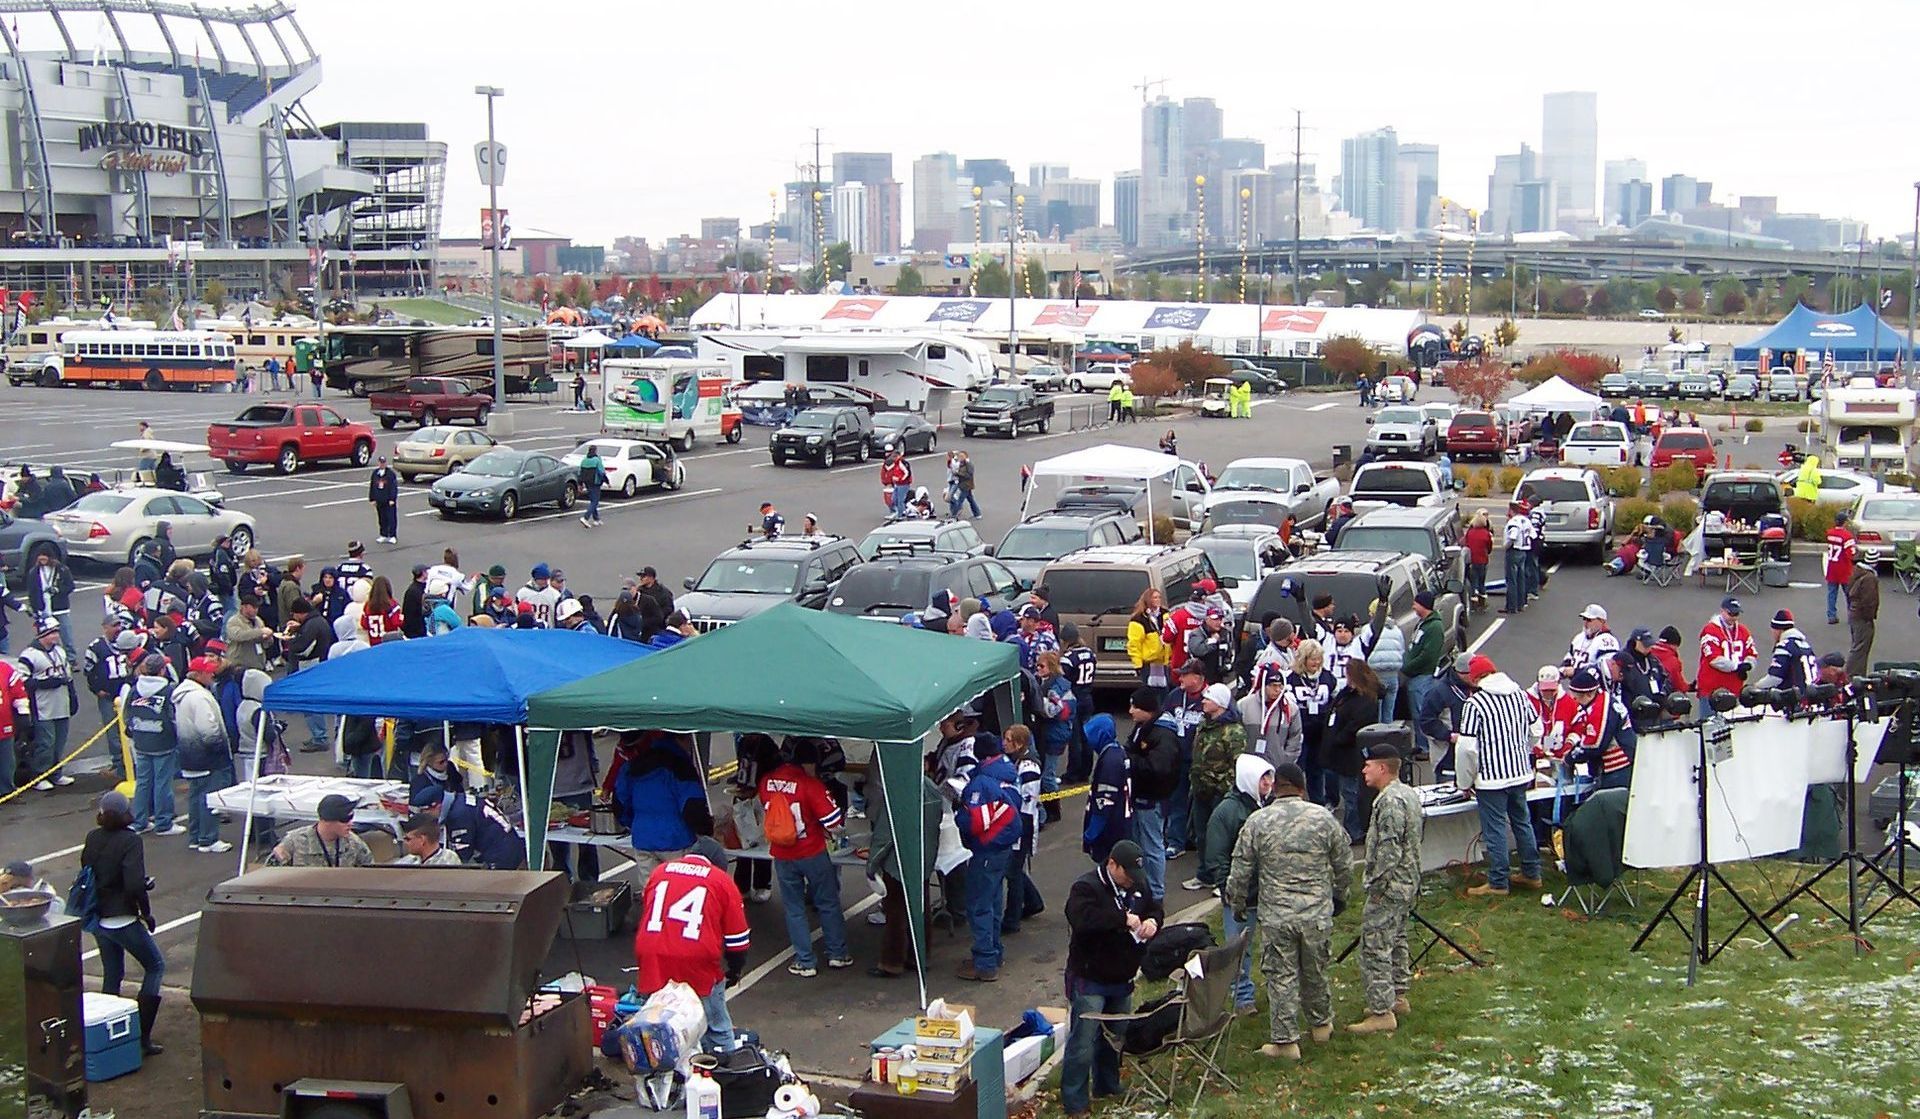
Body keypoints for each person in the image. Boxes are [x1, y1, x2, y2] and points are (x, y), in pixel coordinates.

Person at [1224, 762, 1350, 1062]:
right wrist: (1341, 896)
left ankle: (1285, 1041)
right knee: (1315, 970)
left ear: (1276, 787)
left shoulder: (1258, 822)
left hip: (1277, 914)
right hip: (1316, 912)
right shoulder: (1323, 818)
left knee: (1281, 975)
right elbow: (1344, 862)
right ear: (1302, 787)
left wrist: (1237, 904)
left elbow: (1240, 870)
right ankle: (1321, 1025)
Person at [1060, 839, 1160, 1118]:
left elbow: (1154, 906)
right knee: (1083, 1042)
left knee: (1114, 1036)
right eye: (1127, 874)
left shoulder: (1137, 885)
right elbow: (1082, 920)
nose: (1132, 881)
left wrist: (1154, 921)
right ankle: (1074, 1100)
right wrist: (1121, 919)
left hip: (1123, 976)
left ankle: (1107, 1085)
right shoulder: (1086, 888)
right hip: (1090, 976)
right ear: (1112, 864)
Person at [633, 843, 750, 1053]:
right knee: (717, 1027)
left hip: (651, 952)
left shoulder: (660, 871)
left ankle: (657, 1073)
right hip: (696, 958)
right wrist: (734, 971)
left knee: (656, 1023)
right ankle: (726, 1072)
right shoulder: (721, 880)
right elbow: (738, 942)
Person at [81, 791, 167, 1056]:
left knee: (113, 974)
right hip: (122, 917)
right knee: (154, 967)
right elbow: (133, 884)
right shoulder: (131, 841)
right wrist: (146, 912)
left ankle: (107, 1035)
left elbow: (87, 870)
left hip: (98, 917)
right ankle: (142, 1036)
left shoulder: (93, 837)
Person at [1348, 740, 1422, 1036]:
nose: (1364, 770)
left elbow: (1389, 849)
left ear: (1382, 768)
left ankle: (1381, 1011)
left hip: (1390, 885)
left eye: (1368, 765)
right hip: (1407, 882)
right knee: (1397, 938)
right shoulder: (1407, 794)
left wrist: (1375, 884)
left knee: (1375, 946)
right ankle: (1397, 995)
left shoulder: (1390, 801)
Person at [759, 740, 852, 977]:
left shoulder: (767, 782)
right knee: (828, 903)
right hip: (811, 851)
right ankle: (837, 954)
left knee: (794, 909)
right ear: (810, 763)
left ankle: (805, 960)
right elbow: (834, 822)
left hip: (782, 853)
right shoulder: (811, 785)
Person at [1454, 656, 1544, 896]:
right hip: (1520, 773)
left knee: (1495, 829)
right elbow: (1537, 729)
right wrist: (1522, 750)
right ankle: (1531, 873)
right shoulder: (1520, 695)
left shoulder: (1476, 704)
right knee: (1522, 823)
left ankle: (1498, 882)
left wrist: (1464, 781)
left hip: (1491, 778)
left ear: (1475, 678)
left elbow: (1466, 748)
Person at [1203, 753, 1273, 1015]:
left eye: (1269, 777)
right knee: (1238, 950)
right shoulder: (1227, 812)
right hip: (1240, 897)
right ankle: (1242, 998)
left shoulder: (1266, 806)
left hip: (1267, 893)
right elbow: (1216, 855)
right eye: (1263, 778)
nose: (1268, 783)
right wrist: (1227, 889)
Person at [866, 755, 942, 979]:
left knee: (896, 912)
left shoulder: (897, 794)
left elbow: (884, 835)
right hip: (923, 858)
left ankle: (891, 962)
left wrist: (872, 864)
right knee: (921, 909)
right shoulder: (932, 789)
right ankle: (920, 956)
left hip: (897, 861)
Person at [611, 730, 707, 881]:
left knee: (651, 893)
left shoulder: (634, 764)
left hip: (643, 838)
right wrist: (706, 829)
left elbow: (619, 803)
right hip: (676, 839)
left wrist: (634, 823)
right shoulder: (680, 766)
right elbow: (693, 806)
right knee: (678, 891)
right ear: (683, 739)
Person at [1182, 682, 1248, 891]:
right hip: (1201, 789)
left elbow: (1237, 763)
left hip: (1221, 792)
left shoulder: (1234, 731)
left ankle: (1222, 878)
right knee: (1201, 834)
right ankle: (1204, 874)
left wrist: (1224, 785)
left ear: (1219, 704)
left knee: (1220, 838)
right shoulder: (1204, 724)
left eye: (1208, 699)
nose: (1203, 701)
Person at [1125, 688, 1180, 900]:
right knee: (1140, 844)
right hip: (1141, 795)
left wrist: (1131, 761)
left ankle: (1156, 893)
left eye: (1135, 706)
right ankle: (1142, 887)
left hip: (1153, 798)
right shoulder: (1143, 727)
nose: (1130, 711)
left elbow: (1160, 767)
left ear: (1147, 709)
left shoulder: (1163, 733)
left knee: (1153, 846)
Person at [173, 656, 231, 854]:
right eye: (208, 671)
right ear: (197, 674)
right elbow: (208, 729)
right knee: (209, 797)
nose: (212, 674)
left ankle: (196, 836)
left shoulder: (183, 694)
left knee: (196, 797)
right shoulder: (199, 697)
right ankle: (208, 838)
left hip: (190, 755)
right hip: (206, 757)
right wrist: (219, 750)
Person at [1323, 657, 1384, 842]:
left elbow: (1355, 726)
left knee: (1351, 794)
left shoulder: (1366, 700)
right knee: (1350, 792)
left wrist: (1338, 739)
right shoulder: (1349, 694)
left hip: (1350, 753)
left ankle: (1354, 830)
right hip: (1342, 751)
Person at [1554, 665, 1638, 790]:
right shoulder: (1598, 700)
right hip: (1615, 765)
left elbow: (1594, 745)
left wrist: (1569, 758)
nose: (1575, 701)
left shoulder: (1600, 710)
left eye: (1576, 697)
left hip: (1617, 768)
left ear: (1587, 695)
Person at [17, 621, 76, 791]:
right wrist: (47, 683)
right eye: (52, 633)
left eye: (56, 632)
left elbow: (68, 676)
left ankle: (56, 773)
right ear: (42, 635)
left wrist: (72, 697)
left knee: (59, 742)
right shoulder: (29, 655)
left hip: (61, 704)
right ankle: (39, 776)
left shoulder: (60, 652)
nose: (56, 636)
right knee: (45, 743)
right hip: (42, 707)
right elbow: (23, 681)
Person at [408, 784, 524, 869]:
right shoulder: (459, 800)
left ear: (436, 806)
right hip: (510, 843)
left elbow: (462, 858)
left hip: (500, 857)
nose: (424, 818)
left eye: (424, 812)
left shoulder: (459, 816)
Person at [264, 794, 375, 867]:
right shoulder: (295, 842)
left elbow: (371, 875)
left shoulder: (354, 844)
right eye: (345, 819)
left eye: (351, 817)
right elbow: (269, 874)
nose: (350, 823)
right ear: (327, 820)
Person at [1696, 597, 1756, 714]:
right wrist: (1736, 667)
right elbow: (1713, 659)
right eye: (1730, 614)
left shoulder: (1743, 631)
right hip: (1711, 690)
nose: (1733, 617)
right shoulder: (1710, 630)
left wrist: (1748, 664)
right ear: (1722, 611)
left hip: (1734, 689)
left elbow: (1752, 653)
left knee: (1732, 726)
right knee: (1708, 725)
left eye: (1736, 614)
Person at [1240, 665, 1303, 768]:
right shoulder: (1244, 705)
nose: (1278, 690)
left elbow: (1295, 738)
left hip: (1277, 766)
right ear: (1264, 685)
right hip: (1249, 766)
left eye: (1280, 686)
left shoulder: (1291, 709)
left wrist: (1286, 760)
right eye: (1273, 685)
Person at [1756, 608, 1819, 700]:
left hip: (1794, 697)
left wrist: (1756, 687)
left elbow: (1775, 678)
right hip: (1811, 695)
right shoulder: (1806, 645)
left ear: (1779, 630)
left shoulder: (1784, 646)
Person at [26, 548, 76, 658]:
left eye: (45, 556)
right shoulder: (34, 572)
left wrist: (58, 590)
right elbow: (32, 592)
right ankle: (54, 658)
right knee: (47, 637)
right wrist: (34, 609)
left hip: (60, 609)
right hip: (43, 610)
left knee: (66, 635)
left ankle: (71, 659)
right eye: (40, 556)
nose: (42, 558)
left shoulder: (61, 569)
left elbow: (70, 586)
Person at [1125, 588, 1170, 687]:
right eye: (1154, 598)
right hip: (1149, 664)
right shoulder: (1138, 619)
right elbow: (1134, 644)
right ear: (1148, 600)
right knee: (1152, 692)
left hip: (1165, 662)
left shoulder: (1166, 614)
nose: (1158, 600)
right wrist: (1138, 664)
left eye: (1159, 597)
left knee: (1165, 691)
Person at [1563, 604, 1620, 676]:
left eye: (1589, 620)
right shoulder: (1579, 637)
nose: (1585, 623)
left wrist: (1576, 672)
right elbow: (1568, 658)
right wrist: (1562, 670)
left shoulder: (1608, 641)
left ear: (1602, 622)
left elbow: (1605, 670)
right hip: (1575, 684)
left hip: (1595, 685)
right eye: (1584, 619)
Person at [1501, 502, 1537, 614]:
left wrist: (1506, 546)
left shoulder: (1513, 522)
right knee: (1521, 578)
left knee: (1511, 580)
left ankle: (1511, 606)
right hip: (1524, 551)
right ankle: (1521, 603)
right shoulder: (1526, 520)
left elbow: (1513, 536)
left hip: (1514, 550)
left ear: (1511, 511)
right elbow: (1533, 535)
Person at [1847, 562, 1879, 678]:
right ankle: (1853, 675)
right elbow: (1869, 600)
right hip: (1862, 616)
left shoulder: (1856, 573)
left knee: (1857, 646)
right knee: (1860, 649)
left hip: (1854, 613)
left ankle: (1856, 675)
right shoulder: (1869, 578)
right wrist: (1869, 617)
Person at [1824, 510, 1856, 626]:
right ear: (1845, 523)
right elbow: (1851, 553)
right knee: (1849, 594)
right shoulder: (1847, 536)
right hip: (1844, 568)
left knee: (1832, 593)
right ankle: (1852, 616)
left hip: (1832, 567)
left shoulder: (1830, 533)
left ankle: (1831, 615)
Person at [1651, 626, 1692, 697]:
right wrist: (1689, 687)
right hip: (1664, 696)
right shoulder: (1672, 660)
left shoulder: (1648, 652)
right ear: (1674, 644)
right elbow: (1678, 685)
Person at [1462, 511, 1493, 606]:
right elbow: (1489, 547)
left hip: (1472, 560)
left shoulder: (1470, 533)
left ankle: (1473, 600)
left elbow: (1466, 544)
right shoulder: (1486, 533)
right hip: (1483, 560)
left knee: (1473, 581)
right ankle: (1482, 600)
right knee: (1481, 581)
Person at [368, 456, 399, 545]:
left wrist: (392, 498)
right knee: (382, 518)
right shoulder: (375, 474)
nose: (382, 464)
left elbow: (393, 487)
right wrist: (372, 498)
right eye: (380, 462)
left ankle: (392, 535)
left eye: (383, 462)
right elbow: (372, 486)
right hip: (379, 500)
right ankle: (383, 534)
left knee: (391, 518)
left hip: (388, 501)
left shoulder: (390, 474)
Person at [577, 444, 608, 528]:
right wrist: (607, 481)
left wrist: (580, 484)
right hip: (595, 483)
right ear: (595, 451)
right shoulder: (597, 460)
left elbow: (580, 473)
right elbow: (601, 472)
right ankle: (585, 517)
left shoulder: (584, 460)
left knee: (592, 500)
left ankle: (596, 519)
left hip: (587, 483)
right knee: (595, 501)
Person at [880, 449, 912, 516]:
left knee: (900, 500)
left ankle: (901, 515)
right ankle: (896, 512)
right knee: (894, 499)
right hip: (897, 484)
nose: (893, 458)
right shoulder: (895, 463)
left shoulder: (902, 463)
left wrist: (899, 479)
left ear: (898, 456)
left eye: (894, 457)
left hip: (903, 484)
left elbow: (907, 474)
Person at [954, 451, 981, 518]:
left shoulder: (969, 465)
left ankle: (955, 515)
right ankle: (977, 514)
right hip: (962, 485)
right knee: (971, 499)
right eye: (960, 456)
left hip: (966, 485)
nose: (960, 458)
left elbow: (969, 475)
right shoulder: (960, 464)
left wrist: (958, 474)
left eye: (962, 456)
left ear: (966, 457)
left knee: (960, 501)